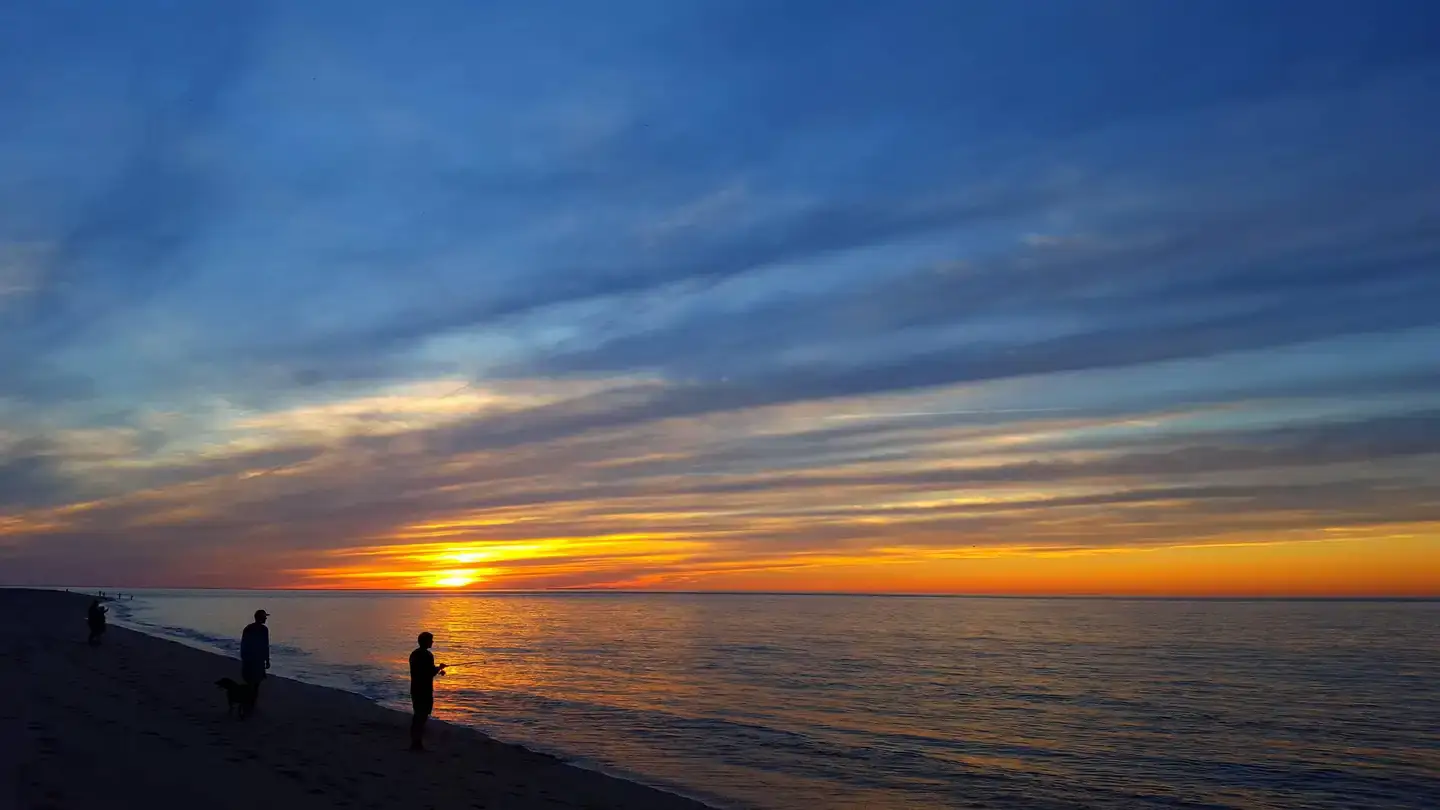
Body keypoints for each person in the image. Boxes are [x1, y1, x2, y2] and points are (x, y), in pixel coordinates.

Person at [408, 632, 446, 751]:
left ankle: (415, 742)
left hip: (415, 688)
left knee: (417, 714)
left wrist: (437, 669)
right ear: (426, 642)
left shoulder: (414, 654)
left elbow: (421, 671)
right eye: (431, 640)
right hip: (424, 689)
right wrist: (439, 668)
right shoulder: (428, 655)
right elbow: (429, 672)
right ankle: (417, 744)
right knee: (422, 715)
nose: (432, 642)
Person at [240, 610, 271, 708]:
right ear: (260, 618)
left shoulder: (248, 628)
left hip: (251, 659)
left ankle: (249, 702)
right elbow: (265, 645)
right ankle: (251, 702)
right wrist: (267, 660)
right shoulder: (263, 630)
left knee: (251, 682)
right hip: (256, 660)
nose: (266, 618)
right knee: (255, 683)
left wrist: (244, 657)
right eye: (264, 617)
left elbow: (243, 644)